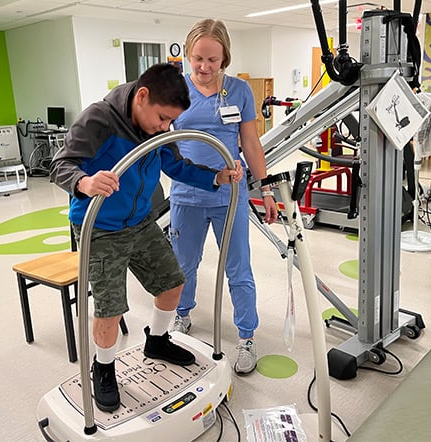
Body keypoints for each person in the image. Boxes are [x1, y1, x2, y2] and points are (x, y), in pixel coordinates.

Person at [49, 63, 242, 412]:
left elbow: (177, 166)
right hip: (100, 227)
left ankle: (157, 340)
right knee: (109, 310)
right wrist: (85, 183)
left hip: (140, 221)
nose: (165, 127)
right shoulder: (98, 121)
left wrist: (217, 177)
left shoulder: (158, 128)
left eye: (171, 122)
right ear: (142, 97)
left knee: (172, 284)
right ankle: (103, 367)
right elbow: (60, 165)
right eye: (163, 118)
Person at [168, 19, 278, 376]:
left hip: (230, 197)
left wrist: (267, 189)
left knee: (238, 270)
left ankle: (246, 337)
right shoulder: (175, 91)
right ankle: (181, 317)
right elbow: (158, 141)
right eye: (198, 58)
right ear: (188, 55)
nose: (204, 67)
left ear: (225, 58)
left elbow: (250, 143)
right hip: (186, 195)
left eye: (213, 60)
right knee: (183, 266)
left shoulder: (240, 91)